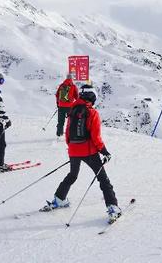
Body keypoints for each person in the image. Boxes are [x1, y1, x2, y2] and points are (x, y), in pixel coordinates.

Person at [41, 84, 122, 222]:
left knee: (72, 175)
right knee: (103, 179)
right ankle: (113, 207)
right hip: (89, 151)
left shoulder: (72, 110)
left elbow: (67, 133)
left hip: (73, 149)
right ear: (92, 97)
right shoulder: (92, 113)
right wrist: (104, 152)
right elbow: (96, 137)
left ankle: (59, 199)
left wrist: (73, 148)